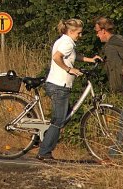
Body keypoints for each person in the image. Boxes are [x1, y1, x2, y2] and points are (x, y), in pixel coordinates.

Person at [37, 18, 102, 162]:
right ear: (71, 31)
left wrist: (90, 59)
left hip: (59, 85)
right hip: (59, 86)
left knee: (64, 117)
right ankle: (44, 152)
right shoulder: (66, 43)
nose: (81, 36)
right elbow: (57, 57)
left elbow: (72, 56)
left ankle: (47, 139)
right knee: (59, 120)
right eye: (79, 33)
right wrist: (69, 69)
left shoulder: (65, 42)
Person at [93, 16, 123, 156]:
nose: (97, 35)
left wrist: (121, 87)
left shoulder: (111, 47)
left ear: (103, 30)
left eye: (97, 31)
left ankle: (115, 155)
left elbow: (119, 69)